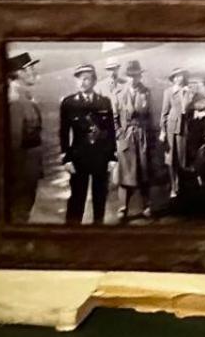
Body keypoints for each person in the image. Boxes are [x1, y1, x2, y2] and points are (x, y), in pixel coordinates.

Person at [59, 62, 116, 225]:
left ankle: (98, 229)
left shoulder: (104, 102)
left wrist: (112, 157)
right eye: (79, 79)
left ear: (94, 81)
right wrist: (66, 159)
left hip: (101, 156)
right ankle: (72, 231)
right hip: (79, 157)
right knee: (77, 197)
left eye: (86, 79)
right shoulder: (69, 103)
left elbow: (111, 131)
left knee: (100, 197)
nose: (82, 82)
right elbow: (64, 133)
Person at [113, 58, 154, 222]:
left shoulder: (146, 92)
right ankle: (123, 208)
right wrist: (119, 134)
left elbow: (150, 116)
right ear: (126, 77)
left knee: (144, 172)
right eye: (130, 76)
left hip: (142, 136)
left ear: (140, 76)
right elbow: (114, 117)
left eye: (136, 75)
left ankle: (147, 206)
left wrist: (149, 136)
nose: (133, 78)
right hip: (126, 137)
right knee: (125, 174)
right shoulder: (119, 94)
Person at [7, 50, 43, 221]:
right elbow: (14, 144)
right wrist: (17, 180)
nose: (34, 72)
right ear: (19, 73)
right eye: (30, 69)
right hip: (21, 175)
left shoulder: (24, 97)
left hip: (27, 171)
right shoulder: (16, 101)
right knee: (19, 215)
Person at [159, 66, 192, 200]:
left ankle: (182, 185)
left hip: (184, 128)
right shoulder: (168, 92)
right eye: (177, 76)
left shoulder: (189, 91)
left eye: (181, 75)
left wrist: (188, 95)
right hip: (171, 128)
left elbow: (194, 106)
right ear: (173, 79)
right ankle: (173, 186)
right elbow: (164, 112)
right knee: (171, 159)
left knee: (182, 158)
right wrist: (162, 130)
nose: (179, 78)